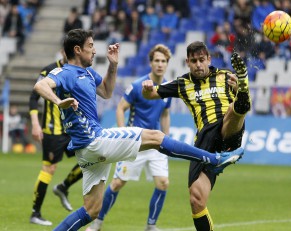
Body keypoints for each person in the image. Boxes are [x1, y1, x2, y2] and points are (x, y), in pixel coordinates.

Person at [33, 29, 243, 231]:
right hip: (94, 141)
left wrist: (113, 66)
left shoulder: (87, 73)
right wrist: (58, 101)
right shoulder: (66, 72)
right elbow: (41, 86)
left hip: (86, 151)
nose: (94, 50)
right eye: (90, 46)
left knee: (91, 210)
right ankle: (214, 160)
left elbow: (106, 91)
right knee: (157, 136)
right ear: (77, 50)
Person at [142, 41, 251, 231]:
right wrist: (146, 87)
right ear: (187, 62)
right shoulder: (183, 84)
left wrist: (239, 88)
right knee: (196, 199)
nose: (198, 64)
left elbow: (242, 107)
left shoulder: (225, 76)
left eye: (202, 60)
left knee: (235, 109)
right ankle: (219, 159)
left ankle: (244, 85)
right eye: (194, 61)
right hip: (204, 141)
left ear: (209, 59)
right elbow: (151, 94)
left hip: (229, 129)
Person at [86, 44, 172, 231]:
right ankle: (97, 223)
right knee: (117, 183)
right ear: (151, 63)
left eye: (163, 61)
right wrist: (123, 133)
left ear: (167, 64)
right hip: (136, 143)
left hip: (156, 144)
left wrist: (167, 137)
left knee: (163, 183)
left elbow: (165, 113)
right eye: (156, 60)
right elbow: (120, 108)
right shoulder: (137, 86)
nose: (160, 64)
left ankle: (151, 225)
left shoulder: (167, 88)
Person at [29, 50, 83, 226]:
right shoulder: (49, 71)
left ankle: (63, 187)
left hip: (70, 129)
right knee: (49, 169)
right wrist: (35, 124)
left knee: (90, 158)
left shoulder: (76, 71)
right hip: (52, 130)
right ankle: (35, 213)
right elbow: (33, 97)